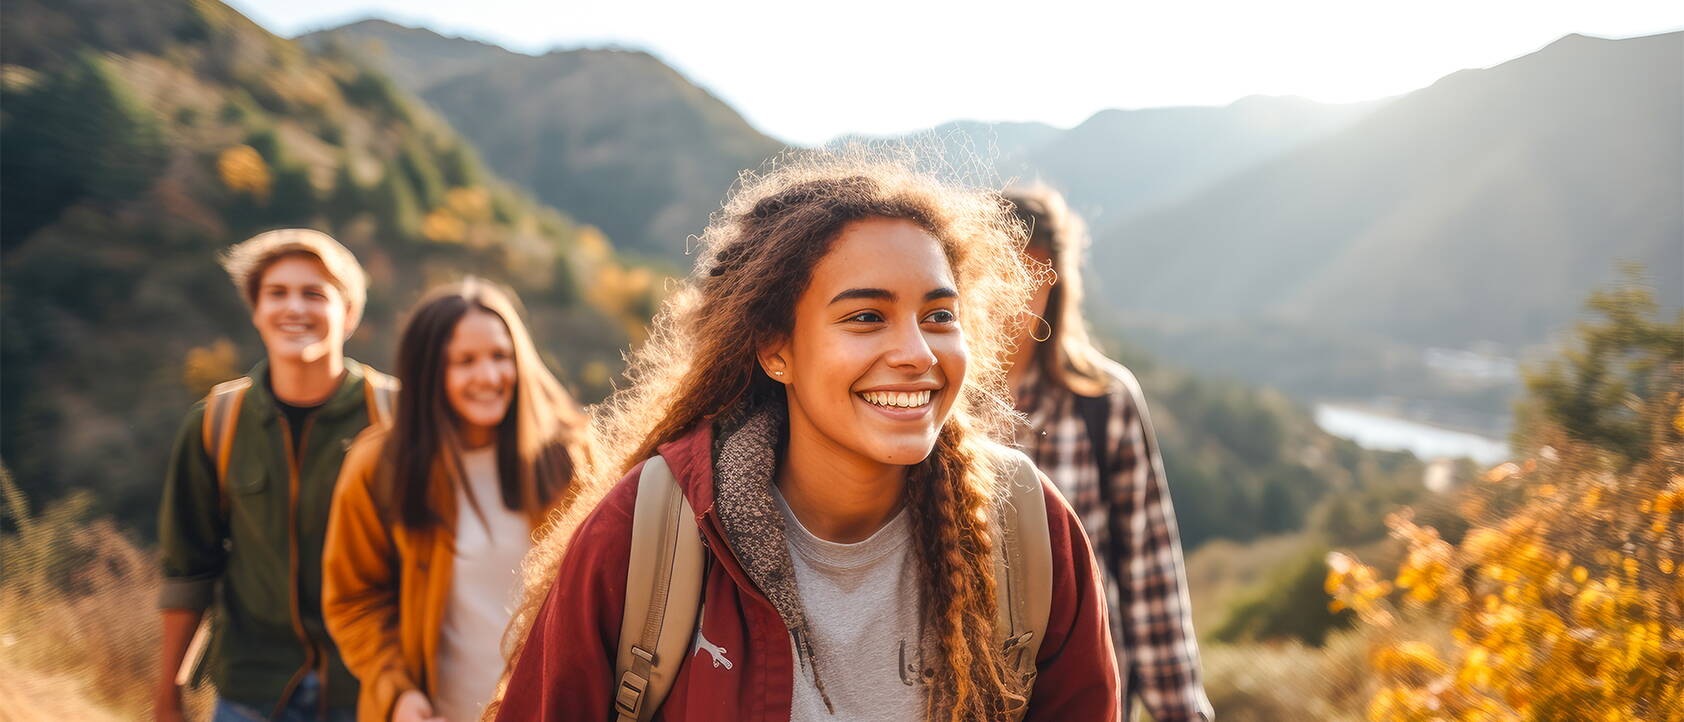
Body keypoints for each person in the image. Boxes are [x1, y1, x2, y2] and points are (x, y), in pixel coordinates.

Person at [491, 152, 1120, 721]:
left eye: (939, 316)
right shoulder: (651, 530)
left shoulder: (1028, 530)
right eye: (866, 317)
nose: (916, 352)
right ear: (776, 349)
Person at [322, 279, 591, 722]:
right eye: (464, 362)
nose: (488, 377)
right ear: (429, 372)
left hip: (546, 709)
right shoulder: (379, 464)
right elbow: (353, 600)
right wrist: (397, 695)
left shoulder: (569, 457)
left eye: (500, 357)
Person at [157, 229, 393, 722]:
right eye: (277, 293)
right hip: (251, 689)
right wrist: (166, 694)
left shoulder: (398, 416)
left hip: (373, 687)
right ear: (256, 310)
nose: (294, 308)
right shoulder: (214, 423)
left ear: (348, 314)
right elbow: (187, 569)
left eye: (314, 293)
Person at [1002, 187, 1212, 721]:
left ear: (1056, 282)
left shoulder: (1102, 401)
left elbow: (1150, 569)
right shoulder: (932, 403)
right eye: (997, 271)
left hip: (1087, 694)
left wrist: (1180, 710)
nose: (1014, 294)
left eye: (1032, 274)